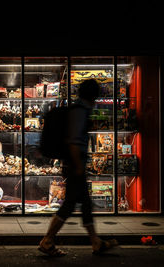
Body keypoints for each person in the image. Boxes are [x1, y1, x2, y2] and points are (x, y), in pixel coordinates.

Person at [38, 79, 118, 256]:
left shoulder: (79, 110)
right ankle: (48, 240)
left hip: (75, 163)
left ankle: (95, 241)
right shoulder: (80, 112)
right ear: (93, 95)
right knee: (69, 205)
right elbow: (74, 140)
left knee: (84, 204)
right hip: (75, 164)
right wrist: (78, 166)